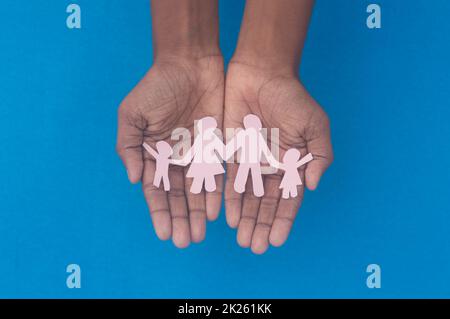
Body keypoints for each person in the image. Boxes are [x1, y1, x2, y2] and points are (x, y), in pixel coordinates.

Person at [116, 0, 333, 253]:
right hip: (216, 160)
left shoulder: (252, 140)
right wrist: (181, 53)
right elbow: (224, 145)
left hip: (240, 160)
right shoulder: (215, 141)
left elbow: (239, 145)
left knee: (231, 175)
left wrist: (270, 61)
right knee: (214, 174)